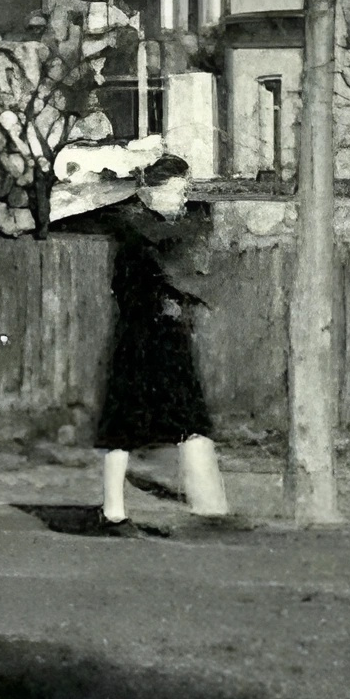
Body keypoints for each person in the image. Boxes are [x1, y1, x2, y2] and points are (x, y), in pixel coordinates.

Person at [89, 157, 231, 531]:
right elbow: (130, 293)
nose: (183, 198)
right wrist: (167, 300)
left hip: (170, 343)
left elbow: (190, 280)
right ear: (153, 192)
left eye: (184, 190)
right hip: (139, 345)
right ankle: (113, 512)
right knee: (123, 430)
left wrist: (181, 300)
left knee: (191, 420)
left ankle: (210, 507)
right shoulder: (135, 237)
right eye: (176, 190)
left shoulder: (174, 235)